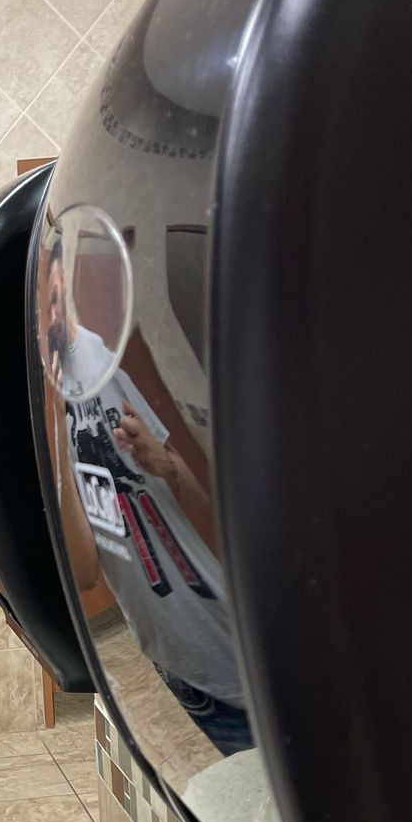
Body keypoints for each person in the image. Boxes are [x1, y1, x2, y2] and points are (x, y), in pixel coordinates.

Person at [44, 238, 252, 756]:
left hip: (243, 660)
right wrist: (49, 436)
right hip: (176, 666)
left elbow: (220, 510)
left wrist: (166, 465)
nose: (43, 317)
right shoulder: (48, 394)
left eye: (50, 297)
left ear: (63, 281)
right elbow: (83, 570)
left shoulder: (117, 362)